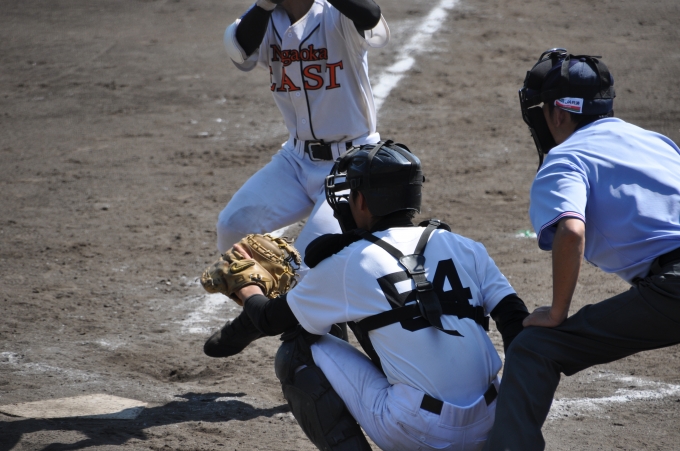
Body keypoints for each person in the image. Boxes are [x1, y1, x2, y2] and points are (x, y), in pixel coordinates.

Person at [224, 140, 529, 450]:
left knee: (297, 351)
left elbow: (271, 319)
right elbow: (516, 322)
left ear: (362, 202)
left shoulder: (350, 260)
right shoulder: (465, 246)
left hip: (417, 433)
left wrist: (245, 285)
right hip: (493, 424)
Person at [483, 49, 680, 451]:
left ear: (558, 114)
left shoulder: (566, 158)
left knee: (534, 348)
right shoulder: (655, 142)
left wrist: (557, 312)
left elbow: (571, 231)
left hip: (674, 289)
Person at [216, 0, 389, 262]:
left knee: (313, 257)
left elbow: (371, 15)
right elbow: (239, 50)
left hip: (352, 163)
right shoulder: (266, 18)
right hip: (295, 160)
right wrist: (264, 5)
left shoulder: (337, 14)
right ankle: (263, 290)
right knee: (233, 228)